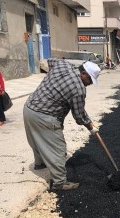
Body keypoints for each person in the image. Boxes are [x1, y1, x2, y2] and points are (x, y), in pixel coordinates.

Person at [23, 58, 100, 191]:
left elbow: (50, 61)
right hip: (46, 117)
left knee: (37, 138)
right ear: (84, 74)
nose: (90, 84)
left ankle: (40, 164)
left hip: (29, 109)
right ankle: (59, 183)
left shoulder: (64, 65)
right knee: (58, 149)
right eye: (90, 80)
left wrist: (53, 81)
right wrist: (91, 127)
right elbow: (79, 116)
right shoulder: (78, 89)